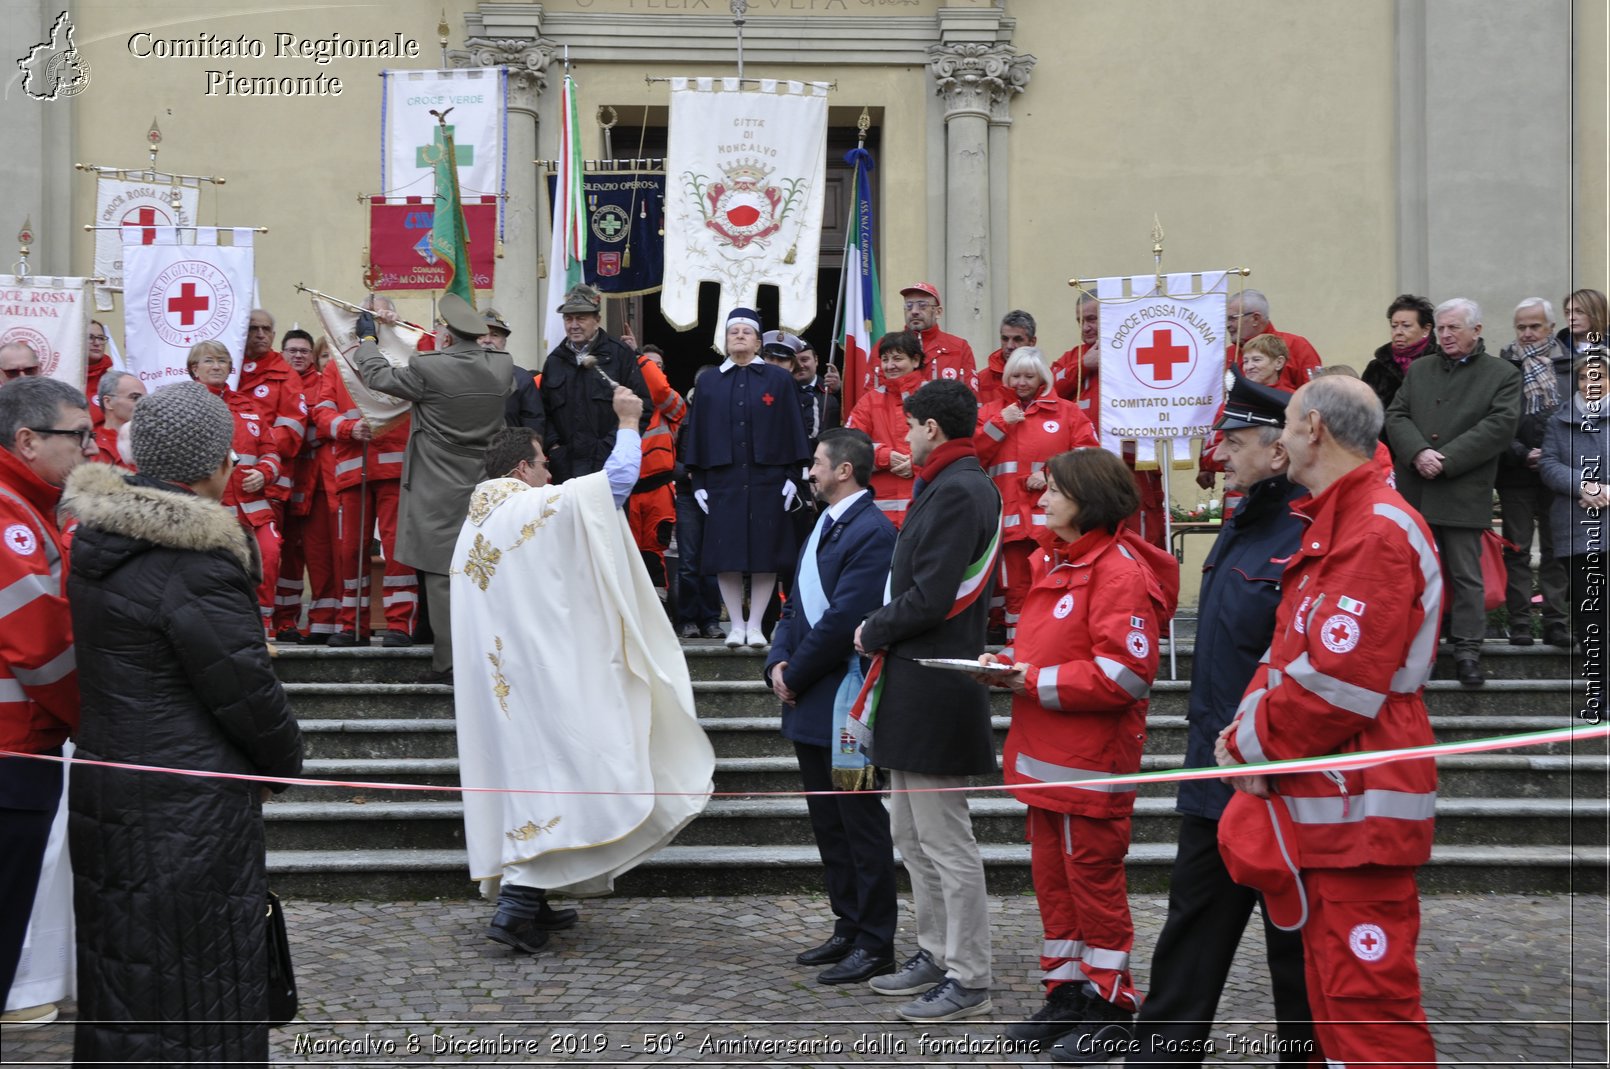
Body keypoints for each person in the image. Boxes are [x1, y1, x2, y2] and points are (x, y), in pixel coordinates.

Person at [62, 382, 304, 1064]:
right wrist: (284, 761)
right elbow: (246, 688)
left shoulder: (99, 538)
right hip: (187, 806)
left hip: (111, 785)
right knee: (196, 986)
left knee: (122, 968)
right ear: (212, 467)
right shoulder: (195, 563)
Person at [1217, 374, 1440, 1068]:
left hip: (1358, 808)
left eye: (1285, 423)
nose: (1279, 438)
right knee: (1330, 1005)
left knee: (1368, 1010)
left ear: (1314, 427)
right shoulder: (1338, 520)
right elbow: (1288, 656)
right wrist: (1244, 733)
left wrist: (1246, 744)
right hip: (1329, 806)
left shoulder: (1374, 528)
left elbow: (1338, 685)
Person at [452, 393, 715, 952]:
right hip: (542, 678)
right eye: (543, 461)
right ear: (521, 468)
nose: (550, 470)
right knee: (563, 775)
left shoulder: (475, 524)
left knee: (529, 779)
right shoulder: (528, 506)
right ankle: (517, 907)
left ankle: (535, 900)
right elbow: (616, 483)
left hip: (501, 685)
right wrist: (627, 421)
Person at [1127, 374, 1315, 1068]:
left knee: (1298, 954)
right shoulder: (1240, 523)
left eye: (1235, 442)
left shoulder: (1308, 533)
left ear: (1278, 452)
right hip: (1215, 780)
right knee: (1189, 940)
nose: (1220, 454)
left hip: (1281, 787)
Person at [974, 447, 1177, 1063]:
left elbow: (1124, 675)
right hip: (1045, 763)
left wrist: (1028, 680)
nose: (1040, 498)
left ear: (1086, 499)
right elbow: (1052, 654)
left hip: (1090, 767)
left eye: (1053, 490)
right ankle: (1067, 992)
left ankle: (1112, 1004)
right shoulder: (1057, 564)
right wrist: (1005, 668)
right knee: (1054, 886)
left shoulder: (1116, 572)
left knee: (1094, 889)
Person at [854, 379, 1001, 1023]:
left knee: (945, 839)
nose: (903, 436)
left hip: (937, 681)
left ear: (933, 429)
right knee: (910, 833)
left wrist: (872, 628)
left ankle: (969, 971)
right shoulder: (944, 484)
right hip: (914, 679)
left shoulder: (962, 488)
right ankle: (936, 952)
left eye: (910, 425)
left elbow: (933, 595)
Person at [765, 427, 899, 986]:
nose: (811, 471)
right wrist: (775, 660)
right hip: (808, 698)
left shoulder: (873, 532)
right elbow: (794, 604)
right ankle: (847, 925)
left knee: (861, 825)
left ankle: (875, 941)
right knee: (830, 825)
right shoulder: (822, 523)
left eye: (818, 462)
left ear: (844, 469)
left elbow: (845, 618)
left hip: (845, 699)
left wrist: (794, 672)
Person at [354, 293, 511, 683]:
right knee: (482, 571)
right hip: (484, 483)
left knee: (442, 576)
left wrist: (368, 341)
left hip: (437, 483)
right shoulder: (502, 366)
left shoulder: (429, 367)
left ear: (445, 333)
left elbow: (377, 377)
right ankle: (487, 655)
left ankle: (450, 663)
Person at [0, 376, 88, 1023]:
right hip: (11, 757)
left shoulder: (25, 505)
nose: (86, 449)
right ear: (27, 440)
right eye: (75, 436)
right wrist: (94, 720)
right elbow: (41, 647)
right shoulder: (12, 516)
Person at [1385, 297, 1521, 687]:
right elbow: (1396, 414)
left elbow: (1501, 425)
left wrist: (1445, 458)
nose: (1444, 335)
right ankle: (1414, 647)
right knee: (1413, 574)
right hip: (1416, 490)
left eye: (1453, 328)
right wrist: (1418, 452)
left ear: (1476, 330)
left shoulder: (1502, 373)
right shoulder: (1421, 369)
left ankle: (1467, 651)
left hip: (1463, 488)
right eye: (1441, 328)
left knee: (1465, 575)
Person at [681, 308, 811, 649]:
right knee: (728, 554)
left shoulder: (778, 380)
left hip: (768, 477)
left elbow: (792, 430)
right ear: (724, 340)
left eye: (746, 331)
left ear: (757, 340)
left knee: (765, 554)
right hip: (722, 479)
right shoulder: (708, 382)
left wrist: (792, 477)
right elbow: (696, 436)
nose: (739, 335)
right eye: (733, 331)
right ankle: (735, 625)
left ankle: (756, 625)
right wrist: (698, 483)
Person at [974, 347, 1098, 641]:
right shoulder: (991, 413)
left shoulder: (1067, 411)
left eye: (1029, 376)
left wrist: (1048, 476)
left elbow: (1088, 455)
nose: (1021, 382)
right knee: (1014, 589)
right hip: (1008, 521)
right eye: (1015, 375)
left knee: (1055, 583)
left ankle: (1052, 643)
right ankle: (1017, 646)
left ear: (1042, 377)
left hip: (1054, 522)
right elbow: (972, 454)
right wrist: (1001, 423)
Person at [1054, 296, 1167, 547]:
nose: (1085, 327)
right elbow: (1048, 392)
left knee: (1140, 540)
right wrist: (1082, 366)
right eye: (1080, 321)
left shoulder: (1135, 351)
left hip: (1132, 467)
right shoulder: (1071, 358)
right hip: (1086, 471)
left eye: (1092, 319)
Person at [188, 340, 284, 632]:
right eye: (209, 361)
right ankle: (229, 629)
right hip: (212, 509)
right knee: (221, 571)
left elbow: (271, 450)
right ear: (194, 369)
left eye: (222, 361)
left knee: (269, 554)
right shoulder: (187, 405)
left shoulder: (248, 405)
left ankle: (263, 626)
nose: (217, 366)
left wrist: (265, 474)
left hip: (253, 508)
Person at [1496, 298, 1574, 648]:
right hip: (1515, 471)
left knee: (1558, 548)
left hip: (1558, 474)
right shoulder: (1502, 367)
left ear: (1550, 327)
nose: (1527, 334)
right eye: (1521, 327)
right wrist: (1523, 453)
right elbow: (1496, 420)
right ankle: (1520, 622)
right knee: (1517, 549)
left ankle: (1557, 622)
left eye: (1534, 326)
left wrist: (1553, 456)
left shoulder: (1570, 367)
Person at [539, 283, 652, 483]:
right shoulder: (555, 360)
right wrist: (555, 448)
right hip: (566, 470)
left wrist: (611, 446)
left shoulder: (619, 354)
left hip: (609, 466)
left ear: (597, 320)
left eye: (581, 318)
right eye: (568, 318)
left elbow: (642, 406)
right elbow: (543, 412)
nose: (573, 325)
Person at [1539, 352, 1608, 677]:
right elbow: (1548, 465)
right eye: (1583, 378)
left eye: (1598, 377)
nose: (1590, 384)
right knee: (1590, 614)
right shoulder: (1559, 419)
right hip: (1578, 531)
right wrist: (1584, 486)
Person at [272, 329, 342, 644]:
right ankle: (283, 621)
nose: (298, 355)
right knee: (282, 556)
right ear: (282, 352)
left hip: (315, 482)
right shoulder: (273, 382)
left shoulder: (321, 384)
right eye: (292, 350)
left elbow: (319, 426)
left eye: (304, 350)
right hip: (277, 482)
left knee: (320, 556)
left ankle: (322, 622)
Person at [846, 331, 929, 529]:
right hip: (880, 516)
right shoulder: (869, 401)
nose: (890, 365)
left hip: (925, 507)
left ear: (916, 360)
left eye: (897, 358)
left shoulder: (934, 396)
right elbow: (848, 447)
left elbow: (950, 445)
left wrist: (916, 464)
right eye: (885, 359)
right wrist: (884, 457)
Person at [628, 342, 688, 593]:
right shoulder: (623, 401)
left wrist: (639, 358)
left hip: (658, 491)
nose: (651, 370)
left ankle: (659, 614)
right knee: (627, 554)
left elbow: (660, 389)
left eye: (657, 366)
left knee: (655, 554)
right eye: (647, 365)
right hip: (627, 490)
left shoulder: (672, 406)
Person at [236, 309, 308, 504]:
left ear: (273, 335)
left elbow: (291, 433)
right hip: (227, 483)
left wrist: (251, 443)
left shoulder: (285, 374)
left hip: (269, 484)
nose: (260, 334)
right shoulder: (230, 369)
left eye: (266, 329)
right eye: (254, 329)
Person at [674, 364, 725, 641]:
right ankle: (687, 620)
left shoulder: (728, 418)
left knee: (714, 562)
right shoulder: (682, 418)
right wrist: (688, 472)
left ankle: (711, 619)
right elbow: (666, 460)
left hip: (718, 495)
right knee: (689, 561)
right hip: (688, 495)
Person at [1198, 334, 1288, 490]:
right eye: (1245, 361)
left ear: (1278, 363)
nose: (1249, 366)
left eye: (1257, 360)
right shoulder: (1231, 405)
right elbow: (1210, 454)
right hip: (1239, 490)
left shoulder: (1294, 401)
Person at [879, 282, 978, 394]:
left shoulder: (960, 347)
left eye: (922, 305)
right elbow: (871, 393)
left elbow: (972, 397)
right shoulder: (885, 347)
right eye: (909, 306)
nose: (914, 311)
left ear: (938, 312)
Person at [1226, 289, 1322, 389]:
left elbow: (1316, 394)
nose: (1228, 325)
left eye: (1233, 318)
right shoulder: (1227, 354)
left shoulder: (1297, 346)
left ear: (1255, 319)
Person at [1363, 294, 1436, 414]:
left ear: (1426, 329)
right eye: (1394, 326)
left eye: (1406, 326)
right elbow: (1365, 412)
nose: (1398, 332)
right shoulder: (1376, 368)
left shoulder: (1441, 361)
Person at [483, 307, 544, 437]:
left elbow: (533, 427)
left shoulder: (523, 379)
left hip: (509, 454)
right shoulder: (461, 376)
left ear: (504, 341)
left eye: (494, 335)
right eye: (482, 334)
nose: (487, 340)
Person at [977, 309, 1039, 404]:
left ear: (1032, 342)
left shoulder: (1043, 379)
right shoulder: (981, 380)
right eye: (1005, 339)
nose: (1009, 346)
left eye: (1017, 339)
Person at [91, 370, 143, 466]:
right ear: (108, 402)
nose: (144, 404)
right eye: (135, 398)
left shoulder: (151, 441)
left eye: (146, 398)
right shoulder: (91, 446)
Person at [793, 340, 841, 444]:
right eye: (795, 361)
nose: (800, 365)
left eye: (804, 360)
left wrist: (839, 392)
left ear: (816, 360)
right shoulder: (782, 391)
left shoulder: (831, 390)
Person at [83, 320, 114, 427]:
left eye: (101, 338)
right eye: (90, 337)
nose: (97, 343)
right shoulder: (67, 379)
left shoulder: (112, 383)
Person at [1562, 288, 1609, 355]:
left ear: (1597, 314)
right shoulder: (1558, 347)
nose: (1571, 318)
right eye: (1567, 312)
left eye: (1579, 312)